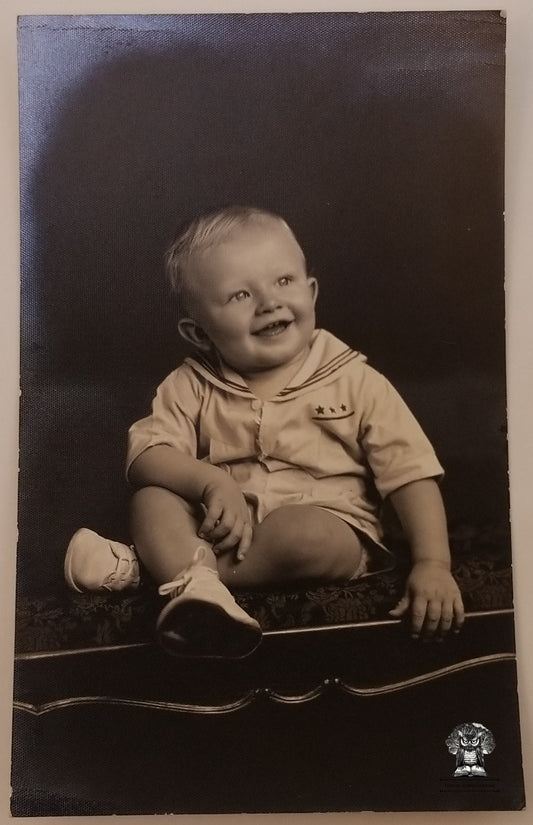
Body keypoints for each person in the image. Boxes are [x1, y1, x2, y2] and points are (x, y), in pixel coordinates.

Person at [64, 205, 464, 658]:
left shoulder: (355, 380)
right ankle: (195, 583)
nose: (270, 302)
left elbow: (410, 473)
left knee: (305, 536)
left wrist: (433, 563)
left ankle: (157, 572)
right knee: (152, 497)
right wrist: (211, 481)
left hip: (324, 526)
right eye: (239, 295)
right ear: (199, 333)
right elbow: (144, 456)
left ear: (311, 292)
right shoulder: (191, 383)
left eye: (284, 281)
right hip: (219, 528)